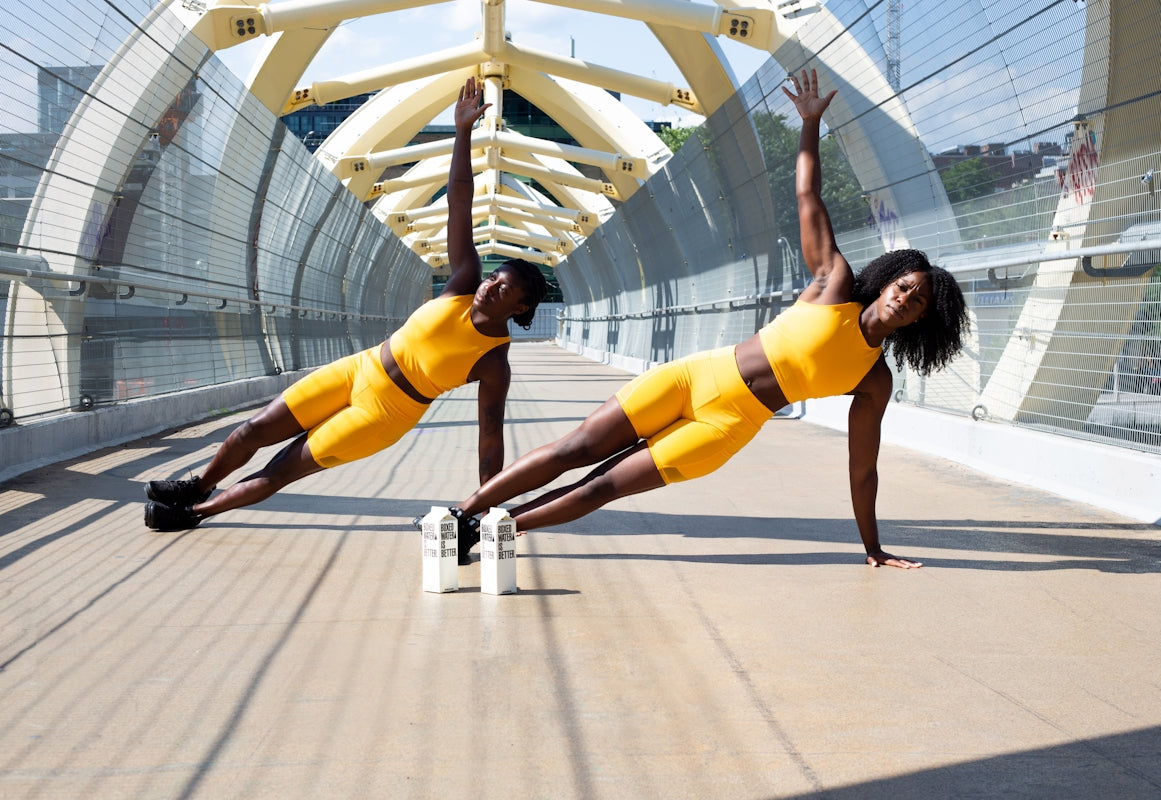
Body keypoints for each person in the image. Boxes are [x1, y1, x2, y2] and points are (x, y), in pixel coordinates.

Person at [439, 69, 969, 568]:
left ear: (922, 320)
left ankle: (492, 533)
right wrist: (809, 123)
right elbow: (808, 196)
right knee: (574, 449)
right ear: (889, 280)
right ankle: (461, 514)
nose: (906, 299)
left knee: (601, 486)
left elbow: (862, 468)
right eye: (905, 287)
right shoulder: (832, 285)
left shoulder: (874, 378)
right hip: (694, 376)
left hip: (726, 425)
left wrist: (872, 545)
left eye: (919, 302)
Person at [144, 77, 547, 541]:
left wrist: (484, 505)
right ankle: (198, 485)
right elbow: (459, 201)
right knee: (252, 430)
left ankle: (197, 512)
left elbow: (489, 437)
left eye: (504, 289)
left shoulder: (495, 361)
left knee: (281, 468)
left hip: (383, 414)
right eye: (495, 277)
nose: (490, 287)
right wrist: (461, 132)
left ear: (521, 307)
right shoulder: (462, 282)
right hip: (359, 368)